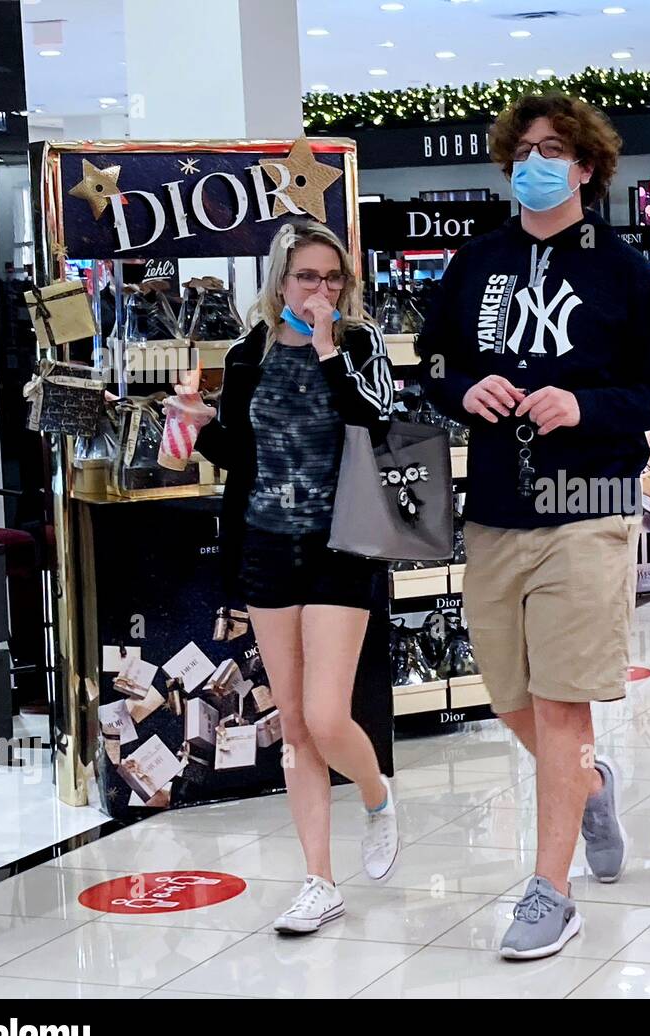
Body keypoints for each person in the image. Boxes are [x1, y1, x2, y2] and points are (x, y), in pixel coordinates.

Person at [418, 93, 650, 959]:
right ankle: (590, 785)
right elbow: (431, 364)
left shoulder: (623, 271)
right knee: (509, 698)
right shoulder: (476, 264)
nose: (535, 162)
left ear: (585, 166)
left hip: (589, 513)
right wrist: (461, 389)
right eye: (522, 150)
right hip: (496, 511)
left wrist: (585, 404)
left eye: (553, 148)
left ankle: (550, 891)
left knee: (559, 700)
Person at [189, 221, 400, 934]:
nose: (321, 290)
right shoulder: (248, 353)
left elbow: (374, 421)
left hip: (342, 544)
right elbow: (242, 454)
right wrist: (196, 425)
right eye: (308, 277)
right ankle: (319, 879)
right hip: (266, 547)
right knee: (297, 731)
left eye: (333, 278)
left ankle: (375, 793)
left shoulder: (361, 346)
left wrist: (329, 348)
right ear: (280, 281)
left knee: (327, 715)